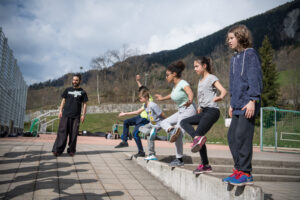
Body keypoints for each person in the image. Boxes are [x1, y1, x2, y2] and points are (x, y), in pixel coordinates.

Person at [222, 24, 262, 186]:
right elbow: (233, 83)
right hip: (237, 104)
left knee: (242, 137)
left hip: (248, 103)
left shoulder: (250, 55)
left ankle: (246, 172)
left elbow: (255, 78)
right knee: (232, 137)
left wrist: (253, 100)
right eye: (228, 39)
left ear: (241, 37)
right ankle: (239, 170)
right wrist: (232, 104)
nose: (229, 41)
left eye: (232, 38)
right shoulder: (235, 58)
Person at [180, 56, 227, 174]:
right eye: (194, 67)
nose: (194, 69)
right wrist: (199, 107)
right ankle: (205, 163)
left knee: (199, 135)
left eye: (197, 66)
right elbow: (201, 97)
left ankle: (205, 164)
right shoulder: (200, 81)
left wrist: (220, 97)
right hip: (204, 111)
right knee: (184, 122)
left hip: (212, 111)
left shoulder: (211, 78)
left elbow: (223, 90)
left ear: (204, 66)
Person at [155, 61, 197, 167]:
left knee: (178, 135)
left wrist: (190, 100)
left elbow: (190, 92)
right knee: (163, 122)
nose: (166, 77)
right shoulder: (175, 86)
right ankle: (172, 130)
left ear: (174, 74)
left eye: (167, 75)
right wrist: (162, 98)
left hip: (188, 109)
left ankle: (179, 160)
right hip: (181, 110)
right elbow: (172, 95)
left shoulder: (183, 83)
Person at [52, 73, 88, 157]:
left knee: (74, 134)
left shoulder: (83, 92)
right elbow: (63, 101)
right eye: (73, 80)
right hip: (65, 115)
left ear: (80, 81)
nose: (74, 81)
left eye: (76, 80)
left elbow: (85, 104)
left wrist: (83, 115)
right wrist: (60, 111)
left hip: (76, 117)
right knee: (62, 133)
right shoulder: (67, 90)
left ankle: (71, 150)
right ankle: (57, 150)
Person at [115, 88, 150, 157]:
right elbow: (142, 88)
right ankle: (124, 141)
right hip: (139, 117)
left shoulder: (150, 102)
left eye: (141, 98)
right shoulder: (144, 104)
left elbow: (137, 112)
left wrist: (125, 114)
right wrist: (138, 82)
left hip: (144, 119)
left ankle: (141, 151)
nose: (140, 100)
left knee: (135, 134)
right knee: (126, 122)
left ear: (146, 97)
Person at [138, 90, 166, 160]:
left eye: (141, 98)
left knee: (150, 137)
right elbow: (137, 112)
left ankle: (152, 154)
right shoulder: (145, 105)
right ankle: (152, 133)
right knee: (140, 128)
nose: (139, 99)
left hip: (158, 124)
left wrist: (167, 122)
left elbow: (162, 114)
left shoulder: (153, 105)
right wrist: (125, 114)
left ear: (146, 97)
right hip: (151, 124)